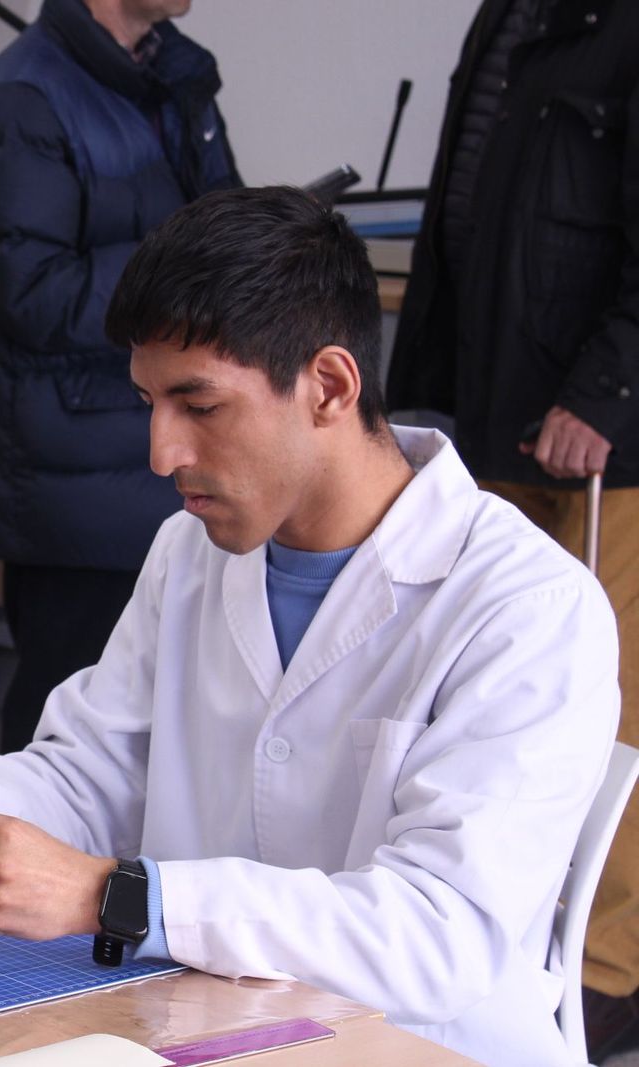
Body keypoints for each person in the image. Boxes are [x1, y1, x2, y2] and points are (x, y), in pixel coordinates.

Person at [0, 187, 620, 1066]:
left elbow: (437, 933)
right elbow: (95, 769)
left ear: (328, 386)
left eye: (199, 407)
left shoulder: (527, 607)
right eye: (150, 403)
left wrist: (121, 897)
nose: (162, 454)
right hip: (204, 1023)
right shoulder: (191, 551)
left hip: (420, 1047)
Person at [384, 5, 639, 1057]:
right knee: (491, 698)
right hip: (494, 411)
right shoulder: (512, 14)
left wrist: (610, 392)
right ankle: (510, 939)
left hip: (597, 442)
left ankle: (604, 969)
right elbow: (465, 208)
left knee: (610, 708)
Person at [0, 0, 239, 754]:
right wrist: (180, 255)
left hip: (154, 454)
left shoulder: (177, 75)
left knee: (159, 731)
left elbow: (224, 231)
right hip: (73, 480)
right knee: (67, 729)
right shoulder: (23, 101)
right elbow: (32, 296)